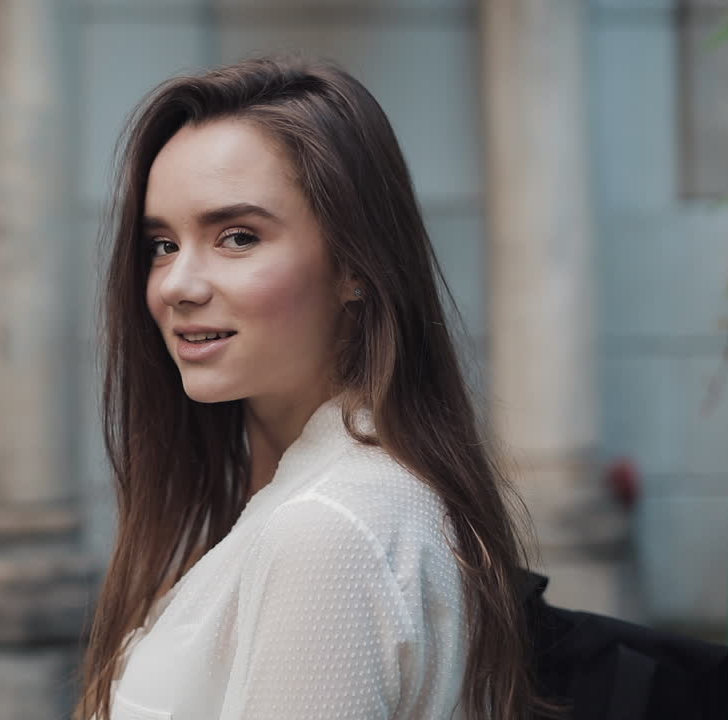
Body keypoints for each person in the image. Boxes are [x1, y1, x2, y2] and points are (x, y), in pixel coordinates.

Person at [74, 55, 539, 720]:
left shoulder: (327, 531)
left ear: (355, 265)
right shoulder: (314, 498)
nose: (177, 284)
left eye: (237, 237)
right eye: (162, 245)